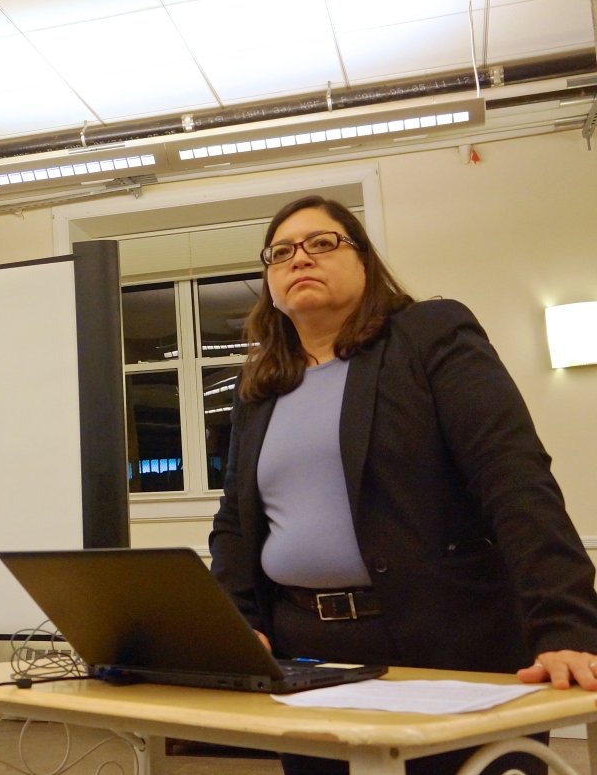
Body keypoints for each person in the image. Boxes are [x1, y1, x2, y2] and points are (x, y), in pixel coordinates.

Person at [209, 195, 597, 775]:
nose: (299, 260)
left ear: (364, 261)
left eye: (322, 243)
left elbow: (512, 478)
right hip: (308, 654)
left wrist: (567, 625)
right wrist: (236, 630)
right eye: (281, 252)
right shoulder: (258, 387)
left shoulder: (427, 335)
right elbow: (237, 525)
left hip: (442, 642)